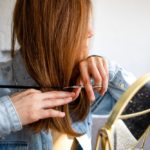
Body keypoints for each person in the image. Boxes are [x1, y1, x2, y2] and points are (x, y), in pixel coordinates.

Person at [0, 0, 136, 149]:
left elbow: (143, 109)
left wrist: (110, 71)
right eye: (80, 22)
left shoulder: (83, 84)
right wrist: (7, 116)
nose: (90, 32)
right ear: (51, 29)